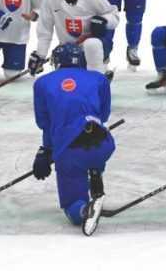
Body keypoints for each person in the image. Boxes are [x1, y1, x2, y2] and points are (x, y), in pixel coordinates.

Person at [32, 43, 116, 235]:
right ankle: (95, 173)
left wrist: (46, 151)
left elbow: (45, 122)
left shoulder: (43, 83)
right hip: (102, 140)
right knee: (93, 152)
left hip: (70, 148)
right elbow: (103, 114)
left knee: (73, 207)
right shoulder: (99, 79)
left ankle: (85, 209)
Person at [29, 0, 119, 78]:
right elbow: (45, 30)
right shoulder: (51, 0)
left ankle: (98, 78)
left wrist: (104, 20)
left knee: (92, 44)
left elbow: (114, 15)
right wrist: (40, 55)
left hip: (96, 44)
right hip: (69, 48)